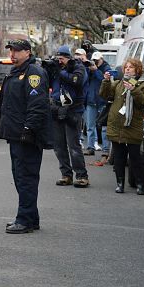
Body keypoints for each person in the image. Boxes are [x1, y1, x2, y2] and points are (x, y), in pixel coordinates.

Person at [0, 39, 51, 234]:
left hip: (26, 136)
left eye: (17, 51)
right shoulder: (17, 72)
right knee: (21, 177)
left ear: (28, 52)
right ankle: (31, 217)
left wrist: (28, 129)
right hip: (15, 134)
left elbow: (37, 105)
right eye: (11, 50)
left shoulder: (33, 73)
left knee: (25, 177)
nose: (13, 54)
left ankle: (24, 219)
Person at [100, 58, 144, 195]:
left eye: (131, 67)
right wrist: (105, 81)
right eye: (126, 67)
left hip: (132, 126)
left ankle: (140, 184)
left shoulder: (141, 84)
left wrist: (134, 90)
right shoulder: (118, 84)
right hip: (117, 125)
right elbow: (105, 95)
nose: (128, 69)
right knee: (119, 158)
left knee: (136, 158)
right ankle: (120, 184)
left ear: (137, 70)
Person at [49, 45, 90, 187]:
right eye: (57, 59)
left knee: (73, 145)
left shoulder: (78, 67)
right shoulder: (55, 68)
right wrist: (49, 69)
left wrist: (61, 72)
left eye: (61, 59)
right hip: (57, 108)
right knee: (59, 145)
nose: (59, 62)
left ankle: (82, 175)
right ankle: (66, 174)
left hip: (73, 110)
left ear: (68, 58)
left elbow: (77, 81)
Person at [81, 49, 110, 156]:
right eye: (94, 60)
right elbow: (84, 79)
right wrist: (88, 68)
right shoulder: (89, 68)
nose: (95, 62)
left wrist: (96, 70)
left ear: (101, 59)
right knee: (90, 126)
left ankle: (106, 150)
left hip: (102, 101)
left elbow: (105, 80)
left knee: (104, 127)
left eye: (97, 60)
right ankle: (90, 147)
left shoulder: (106, 68)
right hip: (91, 101)